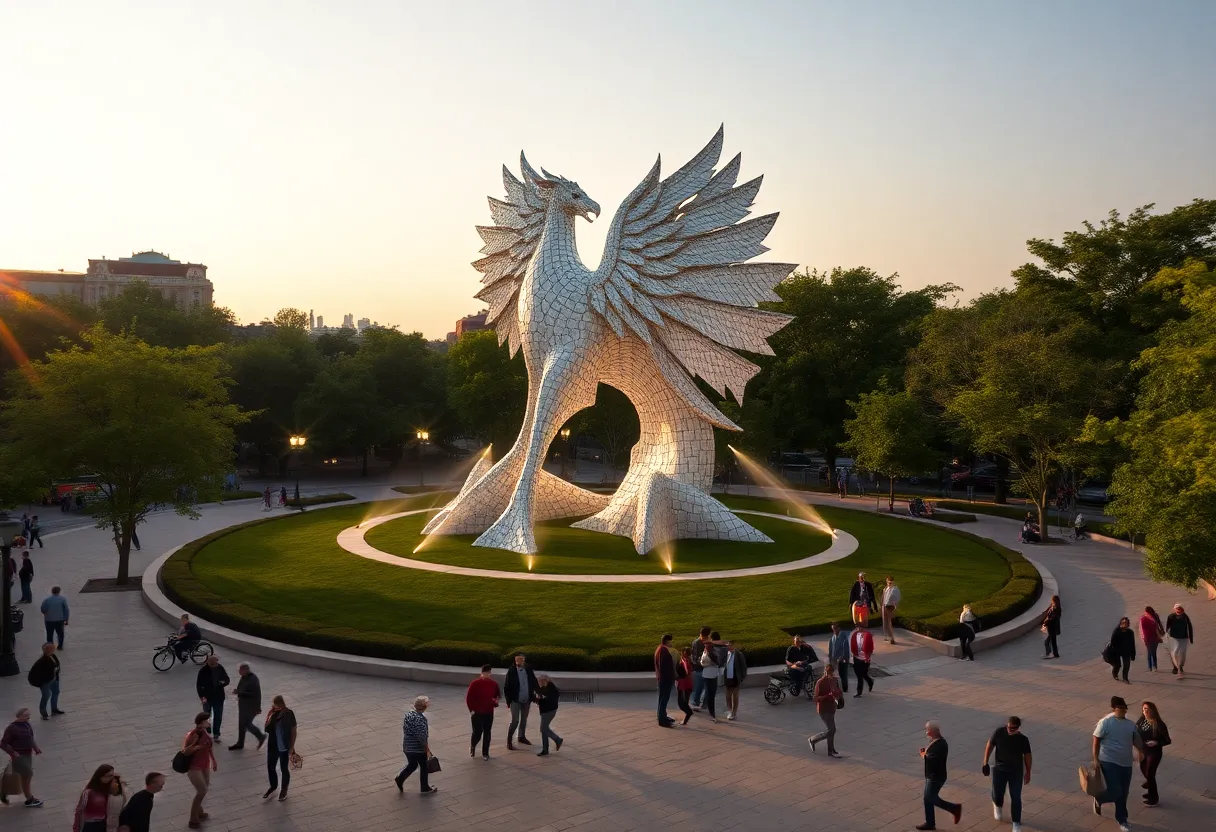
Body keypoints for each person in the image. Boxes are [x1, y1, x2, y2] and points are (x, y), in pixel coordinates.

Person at [1092, 695, 1142, 831]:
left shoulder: (1131, 725)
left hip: (1126, 763)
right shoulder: (1106, 722)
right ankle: (1100, 799)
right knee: (1116, 790)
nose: (1123, 711)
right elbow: (1096, 740)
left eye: (1124, 709)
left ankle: (1122, 819)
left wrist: (1140, 751)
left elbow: (1136, 740)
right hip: (1109, 760)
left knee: (1124, 792)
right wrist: (1096, 759)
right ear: (1113, 709)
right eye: (1120, 708)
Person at [982, 716, 1032, 832]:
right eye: (1009, 727)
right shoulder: (999, 732)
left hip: (1015, 772)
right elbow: (990, 744)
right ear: (1007, 725)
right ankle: (997, 805)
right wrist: (985, 762)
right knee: (998, 792)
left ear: (1018, 728)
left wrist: (1028, 772)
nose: (1010, 730)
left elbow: (1028, 756)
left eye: (1013, 729)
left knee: (1016, 797)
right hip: (1000, 769)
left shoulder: (1023, 740)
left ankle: (1016, 823)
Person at [917, 721, 962, 830]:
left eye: (927, 730)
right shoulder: (936, 741)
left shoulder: (940, 744)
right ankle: (930, 822)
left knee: (930, 797)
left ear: (933, 731)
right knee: (927, 798)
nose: (926, 732)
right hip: (931, 775)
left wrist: (923, 755)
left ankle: (954, 808)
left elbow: (932, 759)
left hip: (936, 777)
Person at [394, 696, 438, 795]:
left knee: (412, 765)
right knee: (424, 766)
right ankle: (425, 787)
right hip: (417, 749)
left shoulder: (409, 715)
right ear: (424, 706)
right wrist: (426, 748)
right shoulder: (420, 719)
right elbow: (422, 736)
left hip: (407, 747)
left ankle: (400, 779)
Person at [0, 708, 43, 807]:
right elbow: (3, 744)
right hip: (19, 756)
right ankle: (29, 799)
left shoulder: (27, 724)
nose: (29, 717)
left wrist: (36, 748)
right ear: (20, 716)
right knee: (27, 775)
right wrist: (13, 752)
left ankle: (4, 792)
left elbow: (30, 737)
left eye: (29, 715)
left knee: (24, 776)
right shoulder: (12, 728)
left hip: (27, 755)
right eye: (26, 715)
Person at [182, 712, 216, 830]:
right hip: (194, 767)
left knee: (203, 791)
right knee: (201, 791)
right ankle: (193, 819)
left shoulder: (205, 732)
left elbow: (209, 747)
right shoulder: (193, 735)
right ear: (201, 723)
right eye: (207, 721)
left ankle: (200, 812)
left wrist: (214, 761)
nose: (209, 722)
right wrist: (195, 745)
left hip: (205, 766)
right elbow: (185, 751)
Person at [263, 695, 297, 801]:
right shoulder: (273, 713)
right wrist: (271, 714)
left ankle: (284, 789)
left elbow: (293, 730)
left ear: (279, 704)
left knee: (283, 768)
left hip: (283, 746)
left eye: (274, 704)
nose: (272, 706)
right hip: (273, 744)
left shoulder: (289, 713)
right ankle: (273, 786)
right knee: (271, 766)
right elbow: (266, 728)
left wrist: (291, 746)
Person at [1136, 701, 1170, 807]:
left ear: (1152, 710)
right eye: (1143, 709)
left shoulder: (1159, 724)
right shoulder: (1142, 720)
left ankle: (1153, 797)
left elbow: (1167, 740)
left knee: (1150, 772)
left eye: (1147, 709)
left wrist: (1156, 742)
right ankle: (1150, 785)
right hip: (1143, 750)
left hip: (1154, 752)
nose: (1144, 712)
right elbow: (1136, 730)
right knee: (1143, 769)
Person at [807, 662, 842, 757]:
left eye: (830, 672)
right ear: (824, 671)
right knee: (832, 729)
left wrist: (837, 694)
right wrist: (827, 696)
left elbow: (839, 692)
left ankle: (831, 750)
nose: (828, 674)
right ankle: (813, 739)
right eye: (827, 672)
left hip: (832, 707)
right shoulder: (820, 682)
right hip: (823, 709)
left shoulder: (835, 681)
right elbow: (816, 698)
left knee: (831, 729)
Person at [466, 664, 500, 760]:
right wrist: (471, 710)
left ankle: (485, 752)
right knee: (477, 732)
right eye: (486, 672)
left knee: (487, 732)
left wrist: (495, 702)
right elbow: (469, 698)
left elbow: (497, 695)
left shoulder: (494, 684)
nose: (488, 674)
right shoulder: (475, 683)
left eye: (489, 672)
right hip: (477, 712)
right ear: (482, 673)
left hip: (489, 711)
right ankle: (473, 746)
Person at [504, 652, 538, 749]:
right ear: (515, 661)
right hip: (515, 700)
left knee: (524, 719)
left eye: (521, 659)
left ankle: (521, 737)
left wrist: (537, 693)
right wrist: (508, 701)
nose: (520, 661)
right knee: (515, 720)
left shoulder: (528, 669)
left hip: (526, 699)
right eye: (518, 659)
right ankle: (509, 741)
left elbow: (534, 681)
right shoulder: (511, 671)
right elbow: (507, 687)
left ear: (524, 660)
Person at [72, 764, 120, 832]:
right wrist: (76, 828)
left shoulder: (110, 787)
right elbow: (79, 811)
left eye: (112, 775)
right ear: (100, 776)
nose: (111, 778)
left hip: (105, 823)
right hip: (91, 824)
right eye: (108, 776)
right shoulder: (88, 792)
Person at [229, 663, 265, 750]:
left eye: (240, 670)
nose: (239, 672)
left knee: (247, 724)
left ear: (245, 670)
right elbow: (241, 688)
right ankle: (240, 743)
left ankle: (261, 736)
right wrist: (237, 691)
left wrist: (240, 693)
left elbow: (255, 694)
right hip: (243, 705)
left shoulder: (253, 679)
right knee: (242, 724)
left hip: (250, 706)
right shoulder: (244, 678)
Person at [196, 654, 230, 739]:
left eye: (216, 663)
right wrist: (202, 696)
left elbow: (227, 679)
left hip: (219, 697)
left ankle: (216, 732)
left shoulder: (220, 668)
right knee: (206, 715)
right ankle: (207, 728)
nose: (216, 665)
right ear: (209, 663)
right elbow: (199, 685)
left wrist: (223, 682)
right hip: (207, 697)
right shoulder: (203, 671)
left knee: (218, 715)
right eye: (214, 664)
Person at [29, 642, 64, 719]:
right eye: (52, 648)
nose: (54, 648)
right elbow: (36, 672)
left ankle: (54, 709)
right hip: (46, 681)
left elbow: (56, 666)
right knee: (46, 695)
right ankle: (43, 713)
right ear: (47, 650)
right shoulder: (42, 661)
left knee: (56, 692)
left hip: (54, 679)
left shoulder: (53, 656)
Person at [699, 630, 726, 723]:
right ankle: (711, 713)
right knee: (711, 694)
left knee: (710, 693)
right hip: (711, 673)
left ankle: (710, 711)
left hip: (710, 673)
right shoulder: (717, 648)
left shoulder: (713, 648)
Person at [534, 674, 563, 756]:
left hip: (548, 712)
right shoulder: (546, 688)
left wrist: (539, 700)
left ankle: (556, 740)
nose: (539, 683)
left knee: (543, 729)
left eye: (539, 681)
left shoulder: (550, 689)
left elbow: (547, 700)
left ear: (544, 680)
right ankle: (546, 748)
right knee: (545, 728)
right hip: (547, 711)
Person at [1164, 603, 1194, 677]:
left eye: (1179, 609)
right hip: (1174, 637)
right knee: (1174, 653)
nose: (1178, 610)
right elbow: (1167, 627)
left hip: (1184, 637)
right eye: (1177, 609)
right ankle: (1176, 667)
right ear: (1174, 609)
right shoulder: (1171, 616)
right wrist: (1167, 635)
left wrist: (1191, 638)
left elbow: (1189, 627)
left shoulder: (1185, 616)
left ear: (1182, 609)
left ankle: (1180, 666)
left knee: (1183, 654)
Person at [654, 634, 677, 727]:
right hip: (665, 679)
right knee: (664, 699)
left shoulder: (659, 649)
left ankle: (662, 716)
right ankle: (662, 720)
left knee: (662, 699)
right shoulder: (664, 651)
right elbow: (665, 666)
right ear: (667, 641)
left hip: (661, 678)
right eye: (670, 641)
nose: (671, 643)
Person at [722, 641, 747, 720]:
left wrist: (742, 677)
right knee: (728, 695)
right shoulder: (726, 654)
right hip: (727, 677)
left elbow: (744, 667)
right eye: (728, 645)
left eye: (730, 645)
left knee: (735, 695)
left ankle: (734, 712)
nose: (728, 646)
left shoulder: (739, 654)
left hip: (736, 677)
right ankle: (729, 710)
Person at [689, 626, 712, 710]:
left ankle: (697, 702)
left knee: (699, 686)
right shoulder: (709, 642)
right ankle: (703, 703)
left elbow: (694, 657)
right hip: (706, 667)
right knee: (706, 687)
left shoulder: (696, 642)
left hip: (699, 668)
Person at [1108, 617, 1136, 683]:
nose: (1125, 624)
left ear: (1128, 624)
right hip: (1117, 651)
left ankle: (1125, 678)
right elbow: (1112, 642)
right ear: (1120, 623)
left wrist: (1133, 654)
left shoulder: (1130, 632)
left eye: (1126, 623)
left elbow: (1132, 643)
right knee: (1117, 665)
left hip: (1126, 651)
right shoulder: (1117, 631)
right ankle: (1115, 674)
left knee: (1127, 665)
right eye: (1123, 623)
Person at [850, 624, 875, 697]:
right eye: (857, 627)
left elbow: (870, 648)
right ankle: (859, 691)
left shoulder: (867, 635)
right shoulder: (854, 635)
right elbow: (852, 646)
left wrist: (868, 658)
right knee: (859, 676)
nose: (858, 628)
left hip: (865, 659)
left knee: (863, 674)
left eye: (860, 627)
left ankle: (869, 682)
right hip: (856, 658)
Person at [827, 622, 851, 693]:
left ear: (839, 628)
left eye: (835, 628)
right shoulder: (832, 638)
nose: (834, 630)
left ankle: (845, 689)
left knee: (843, 675)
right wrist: (830, 659)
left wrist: (842, 657)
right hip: (835, 660)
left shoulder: (843, 638)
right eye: (833, 629)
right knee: (836, 675)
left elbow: (845, 649)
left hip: (842, 660)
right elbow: (831, 650)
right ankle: (837, 688)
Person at [1138, 606, 1164, 672]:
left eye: (1146, 612)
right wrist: (1143, 637)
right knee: (1151, 651)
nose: (1146, 613)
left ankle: (1151, 666)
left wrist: (1162, 631)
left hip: (1155, 636)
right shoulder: (1143, 618)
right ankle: (1153, 666)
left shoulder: (1155, 616)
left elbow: (1159, 623)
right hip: (1147, 638)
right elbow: (1141, 629)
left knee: (1151, 651)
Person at [675, 646, 695, 725]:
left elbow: (686, 671)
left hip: (684, 685)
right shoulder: (687, 660)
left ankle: (689, 713)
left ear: (684, 653)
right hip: (687, 684)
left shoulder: (685, 661)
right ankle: (686, 718)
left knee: (681, 703)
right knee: (684, 703)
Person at [881, 576, 902, 644]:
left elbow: (896, 599)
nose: (888, 584)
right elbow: (883, 597)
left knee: (889, 622)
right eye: (887, 582)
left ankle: (892, 638)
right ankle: (887, 636)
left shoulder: (895, 590)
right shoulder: (886, 588)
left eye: (890, 583)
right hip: (884, 606)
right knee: (885, 622)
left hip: (890, 607)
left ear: (893, 582)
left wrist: (895, 608)